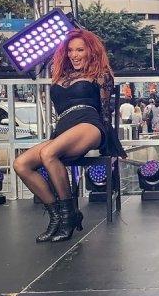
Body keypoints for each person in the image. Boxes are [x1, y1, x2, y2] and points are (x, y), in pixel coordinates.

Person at [13, 29, 126, 243]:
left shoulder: (101, 74)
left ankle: (68, 218)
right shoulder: (60, 74)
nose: (74, 55)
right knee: (21, 164)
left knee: (49, 153)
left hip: (89, 124)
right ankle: (58, 216)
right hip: (65, 128)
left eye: (80, 50)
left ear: (91, 51)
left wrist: (108, 143)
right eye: (70, 50)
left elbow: (105, 112)